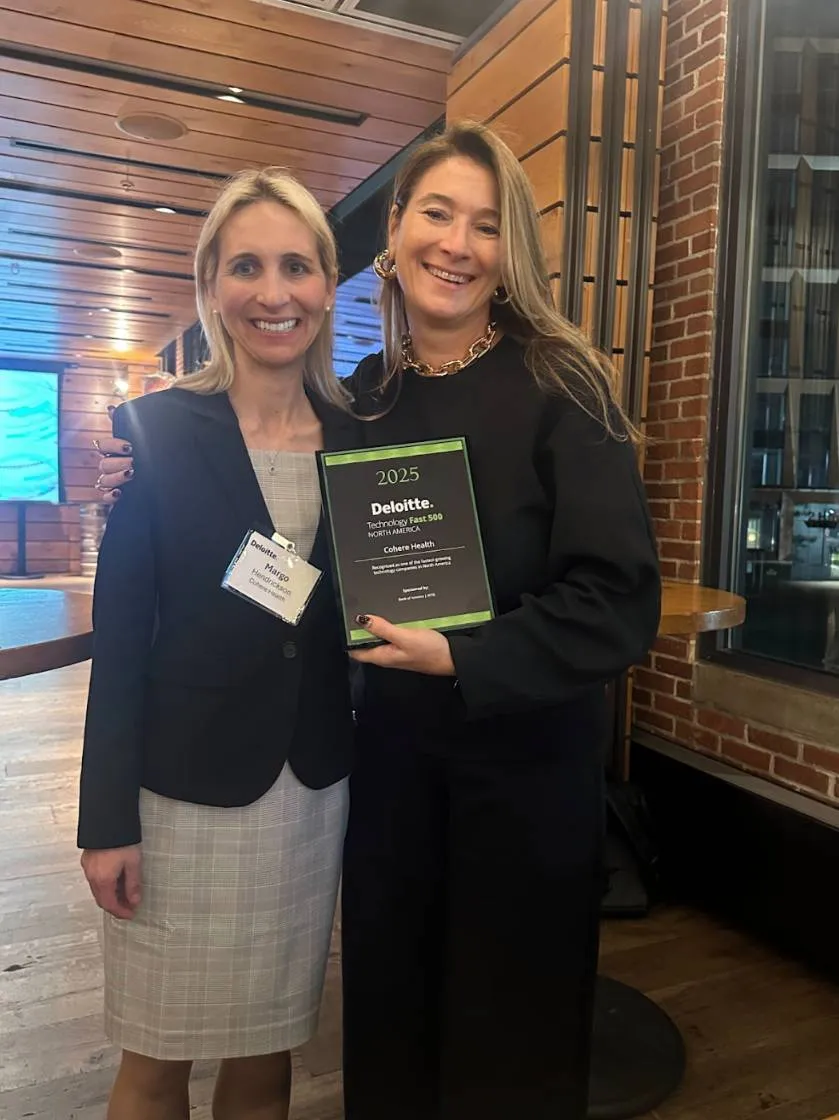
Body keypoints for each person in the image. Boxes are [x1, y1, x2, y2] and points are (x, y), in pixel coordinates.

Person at [95, 121, 661, 1120]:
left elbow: (617, 599)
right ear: (392, 233)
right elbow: (269, 526)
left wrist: (464, 655)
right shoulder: (363, 402)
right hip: (388, 781)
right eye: (436, 213)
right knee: (390, 1043)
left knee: (505, 1053)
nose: (457, 243)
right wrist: (150, 456)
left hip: (518, 782)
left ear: (508, 250)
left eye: (486, 226)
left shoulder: (560, 386)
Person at [79, 168, 359, 1120]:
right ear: (210, 286)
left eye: (296, 266)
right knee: (155, 1061)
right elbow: (118, 642)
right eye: (246, 266)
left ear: (327, 284)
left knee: (267, 1052)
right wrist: (103, 818)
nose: (272, 293)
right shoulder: (153, 434)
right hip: (178, 797)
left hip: (309, 793)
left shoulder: (364, 436)